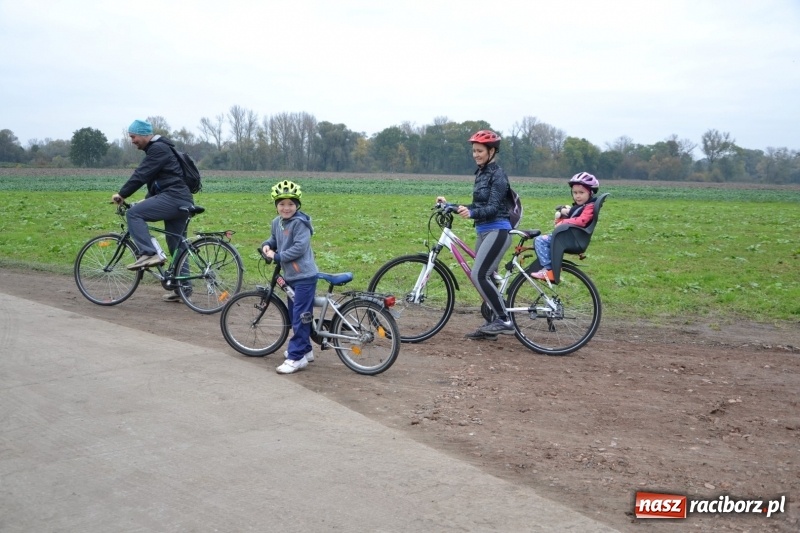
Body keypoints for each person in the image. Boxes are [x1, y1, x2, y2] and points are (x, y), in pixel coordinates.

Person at [436, 129, 514, 340]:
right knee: (484, 277)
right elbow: (477, 205)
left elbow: (492, 207)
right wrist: (451, 206)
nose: (475, 155)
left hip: (498, 230)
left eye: (480, 151)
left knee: (479, 274)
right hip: (483, 231)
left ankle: (504, 320)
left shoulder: (498, 175)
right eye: (474, 151)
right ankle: (491, 325)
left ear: (491, 151)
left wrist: (471, 213)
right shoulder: (481, 173)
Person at [111, 119, 194, 302]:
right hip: (181, 200)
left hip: (173, 198)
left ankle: (148, 252)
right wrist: (146, 200)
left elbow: (142, 174)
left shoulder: (158, 149)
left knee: (134, 214)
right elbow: (160, 181)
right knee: (176, 244)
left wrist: (123, 194)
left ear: (143, 134)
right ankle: (183, 289)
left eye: (133, 136)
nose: (132, 140)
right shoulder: (162, 148)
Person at [262, 180, 319, 374]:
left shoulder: (300, 223)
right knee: (297, 314)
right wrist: (267, 246)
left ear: (297, 205)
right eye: (282, 204)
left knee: (300, 317)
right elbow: (274, 239)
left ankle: (296, 357)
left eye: (291, 204)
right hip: (291, 276)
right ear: (276, 205)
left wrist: (278, 256)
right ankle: (306, 350)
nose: (286, 208)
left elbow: (299, 247)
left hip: (304, 275)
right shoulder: (277, 222)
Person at [532, 172, 600, 281]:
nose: (577, 196)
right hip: (570, 237)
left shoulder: (589, 207)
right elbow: (576, 214)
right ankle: (550, 266)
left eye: (581, 192)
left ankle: (549, 270)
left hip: (571, 239)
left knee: (539, 241)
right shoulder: (584, 206)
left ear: (590, 193)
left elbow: (582, 220)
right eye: (575, 192)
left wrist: (564, 222)